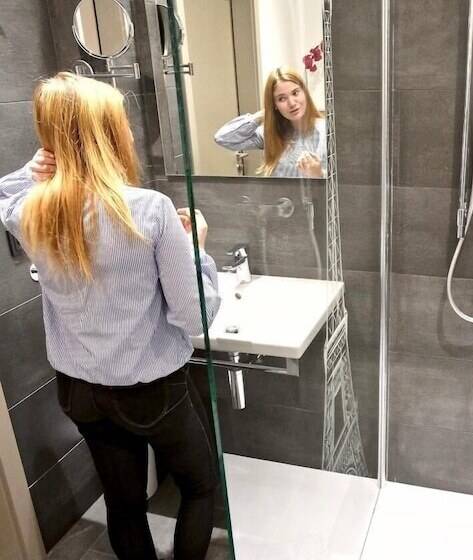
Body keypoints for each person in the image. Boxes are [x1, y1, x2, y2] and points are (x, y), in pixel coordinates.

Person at [0, 73, 221, 560]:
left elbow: (3, 196)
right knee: (200, 486)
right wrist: (197, 251)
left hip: (80, 391)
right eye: (122, 123)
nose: (131, 134)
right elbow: (196, 317)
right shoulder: (149, 211)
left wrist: (31, 171)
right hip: (151, 390)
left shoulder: (30, 212)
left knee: (123, 504)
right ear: (108, 134)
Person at [215, 66, 327, 178]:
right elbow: (223, 138)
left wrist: (320, 174)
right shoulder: (271, 134)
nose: (292, 103)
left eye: (295, 93)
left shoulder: (327, 131)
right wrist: (263, 115)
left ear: (305, 93)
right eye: (282, 99)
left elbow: (337, 178)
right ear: (274, 105)